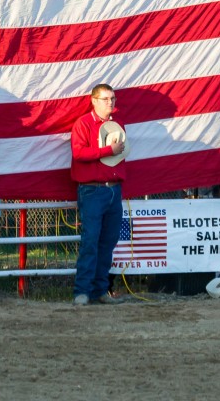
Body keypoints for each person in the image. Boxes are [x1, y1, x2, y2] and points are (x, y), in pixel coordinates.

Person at [69, 84, 127, 306]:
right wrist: (107, 151)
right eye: (105, 99)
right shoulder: (83, 124)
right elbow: (78, 153)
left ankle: (99, 289)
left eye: (112, 98)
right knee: (91, 241)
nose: (110, 103)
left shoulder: (118, 124)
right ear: (93, 100)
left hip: (114, 188)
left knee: (108, 242)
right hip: (92, 189)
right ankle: (81, 291)